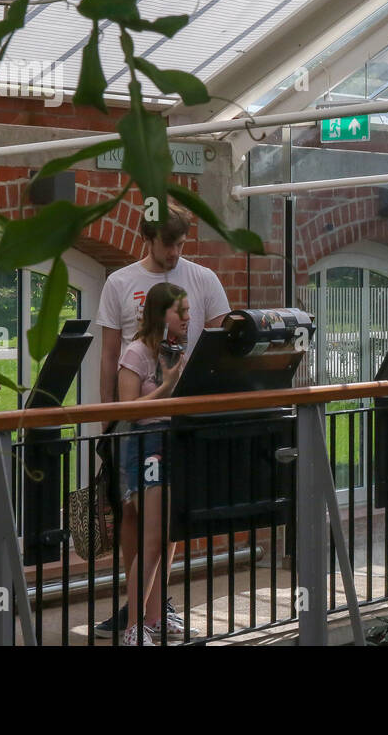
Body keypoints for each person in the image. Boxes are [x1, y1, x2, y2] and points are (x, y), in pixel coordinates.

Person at [92, 205, 229, 640]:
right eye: (168, 243)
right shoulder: (121, 282)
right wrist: (109, 419)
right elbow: (110, 356)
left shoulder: (203, 279)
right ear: (148, 238)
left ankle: (153, 609)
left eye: (181, 243)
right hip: (139, 422)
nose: (175, 253)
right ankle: (140, 612)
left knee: (169, 519)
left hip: (180, 422)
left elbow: (219, 346)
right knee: (136, 517)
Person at [115, 282, 192, 646]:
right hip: (146, 445)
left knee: (168, 536)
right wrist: (169, 384)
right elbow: (129, 409)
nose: (188, 319)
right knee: (151, 539)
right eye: (182, 312)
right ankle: (133, 625)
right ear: (162, 315)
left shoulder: (176, 353)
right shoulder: (135, 355)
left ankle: (156, 617)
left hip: (174, 441)